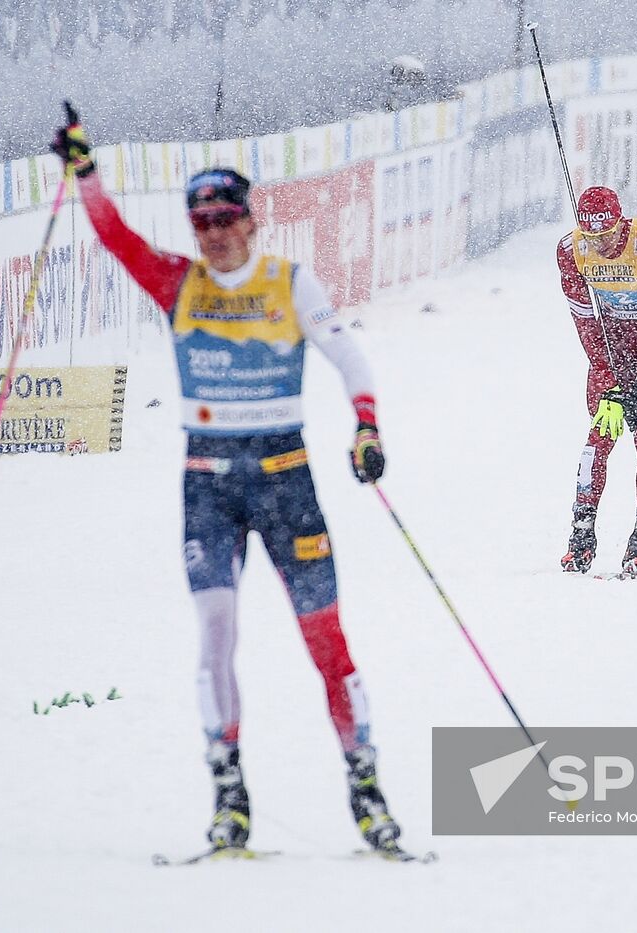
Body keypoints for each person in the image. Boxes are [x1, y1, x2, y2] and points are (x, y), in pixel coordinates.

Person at [51, 108, 401, 854]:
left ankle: (365, 785)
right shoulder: (177, 282)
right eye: (200, 218)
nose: (212, 231)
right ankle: (229, 794)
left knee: (325, 640)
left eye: (225, 217)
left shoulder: (288, 282)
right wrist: (85, 174)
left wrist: (366, 424)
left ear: (252, 220)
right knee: (216, 635)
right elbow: (116, 238)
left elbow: (351, 359)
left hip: (285, 479)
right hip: (208, 483)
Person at [556, 185, 637, 579]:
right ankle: (581, 534)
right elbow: (585, 321)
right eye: (592, 237)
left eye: (608, 235)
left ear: (620, 222)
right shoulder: (570, 251)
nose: (601, 245)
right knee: (601, 434)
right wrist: (609, 376)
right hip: (613, 348)